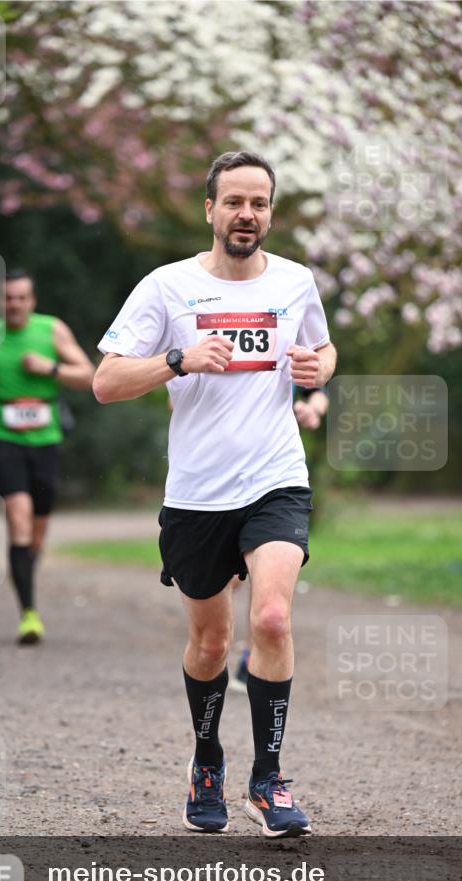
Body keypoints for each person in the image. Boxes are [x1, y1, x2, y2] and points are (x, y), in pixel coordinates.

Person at [94, 151, 337, 838]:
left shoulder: (294, 283)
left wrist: (318, 367)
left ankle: (268, 779)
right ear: (209, 209)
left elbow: (322, 349)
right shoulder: (166, 288)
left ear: (270, 212)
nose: (246, 214)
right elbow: (105, 383)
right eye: (233, 201)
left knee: (269, 619)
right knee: (209, 642)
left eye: (258, 203)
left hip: (275, 479)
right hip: (198, 495)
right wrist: (177, 358)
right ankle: (207, 762)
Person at [0, 269, 94, 645]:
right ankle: (29, 615)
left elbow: (89, 375)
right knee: (17, 515)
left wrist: (49, 367)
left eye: (21, 297)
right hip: (1, 434)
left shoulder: (51, 330)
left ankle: (24, 568)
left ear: (31, 301)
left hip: (45, 436)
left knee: (38, 526)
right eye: (7, 298)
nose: (14, 304)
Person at [230, 386, 330, 693]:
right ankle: (213, 647)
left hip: (274, 480)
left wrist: (313, 408)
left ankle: (250, 655)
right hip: (217, 481)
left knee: (268, 588)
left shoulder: (285, 343)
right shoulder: (203, 342)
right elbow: (174, 399)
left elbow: (319, 389)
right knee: (231, 581)